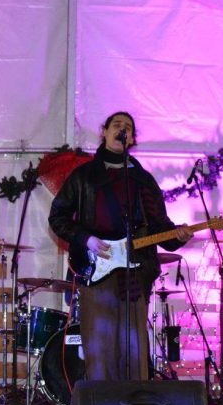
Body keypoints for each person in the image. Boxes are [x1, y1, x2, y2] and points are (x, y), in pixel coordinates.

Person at [49, 112, 193, 381]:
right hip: (96, 270)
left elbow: (159, 226)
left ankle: (134, 403)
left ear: (133, 139)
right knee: (100, 348)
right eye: (116, 125)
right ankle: (101, 404)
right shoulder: (83, 176)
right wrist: (86, 239)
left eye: (128, 127)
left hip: (135, 273)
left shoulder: (143, 180)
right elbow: (57, 217)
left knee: (133, 350)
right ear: (104, 132)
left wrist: (179, 237)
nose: (122, 130)